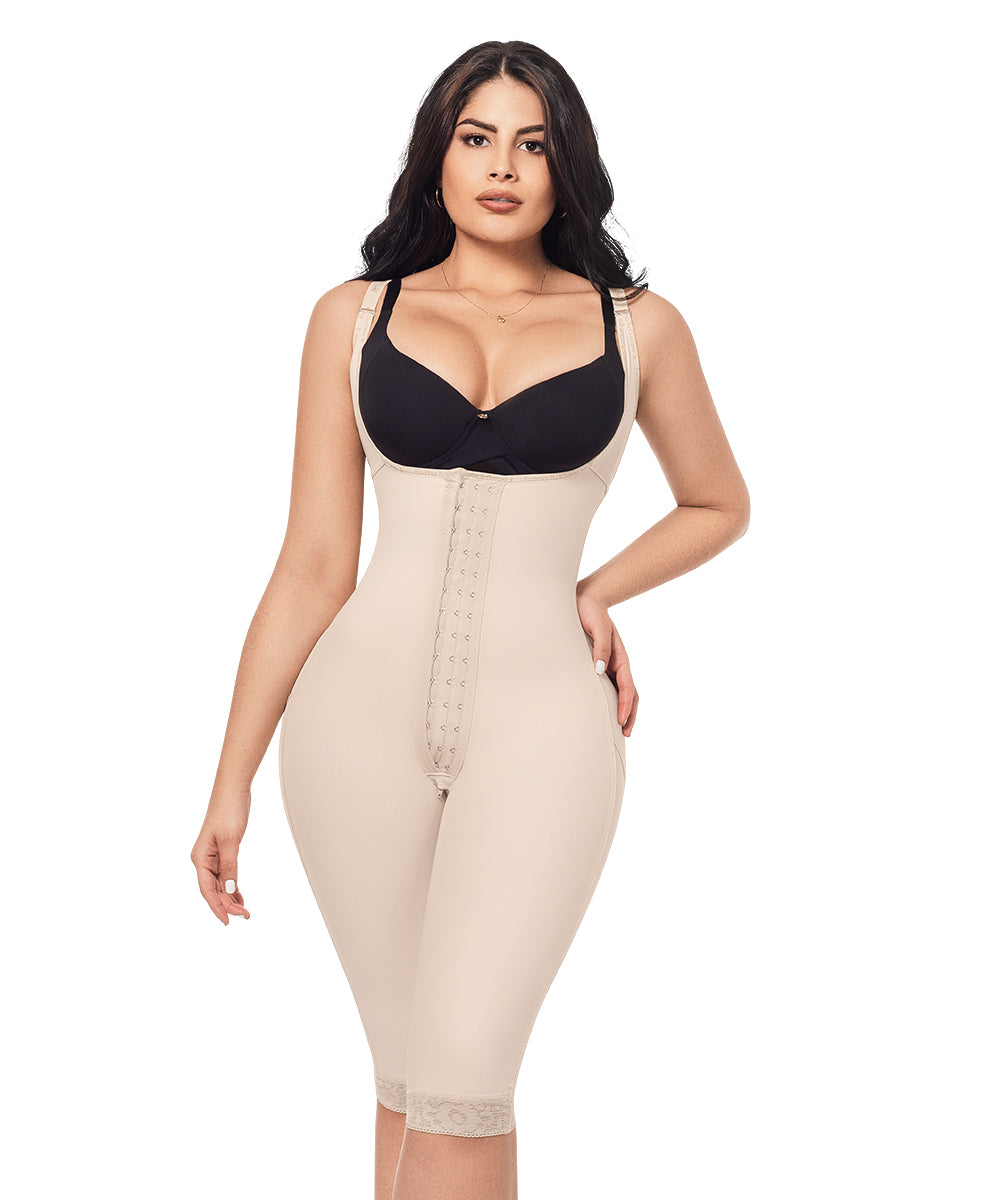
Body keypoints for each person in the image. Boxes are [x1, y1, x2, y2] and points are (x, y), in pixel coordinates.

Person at [191, 39, 750, 1200]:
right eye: (476, 137)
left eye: (533, 144)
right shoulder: (352, 317)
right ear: (435, 158)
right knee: (407, 1082)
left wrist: (594, 589)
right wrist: (229, 781)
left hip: (544, 730)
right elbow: (311, 566)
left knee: (462, 1083)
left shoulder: (638, 327)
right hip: (351, 727)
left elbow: (717, 503)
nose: (503, 167)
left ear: (567, 166)